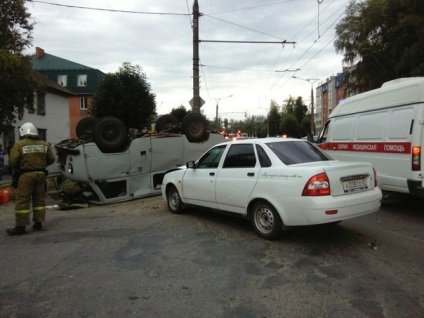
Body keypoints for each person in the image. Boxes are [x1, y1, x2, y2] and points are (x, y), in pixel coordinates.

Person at [6, 123, 55, 236]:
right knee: (39, 200)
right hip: (41, 175)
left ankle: (21, 227)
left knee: (22, 200)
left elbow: (13, 162)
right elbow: (52, 159)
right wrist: (42, 164)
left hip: (26, 175)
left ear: (23, 132)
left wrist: (21, 166)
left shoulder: (20, 145)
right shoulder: (44, 144)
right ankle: (38, 223)